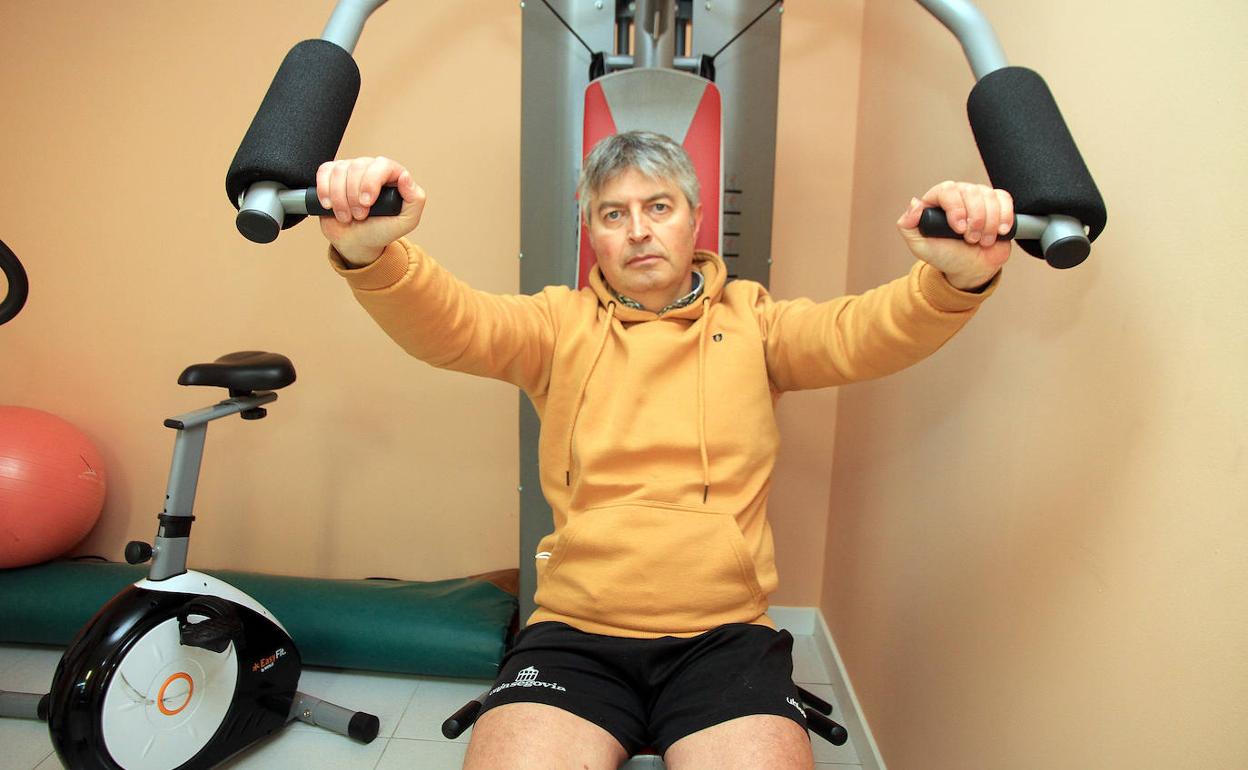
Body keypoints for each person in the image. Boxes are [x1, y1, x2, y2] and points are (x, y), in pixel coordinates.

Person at [316, 131, 1013, 769]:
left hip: (723, 635)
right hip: (576, 631)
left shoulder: (756, 323)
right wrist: (372, 253)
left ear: (696, 219)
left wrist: (953, 279)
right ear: (589, 231)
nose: (639, 229)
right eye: (613, 214)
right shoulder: (556, 324)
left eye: (658, 206)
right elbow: (453, 321)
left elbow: (866, 330)